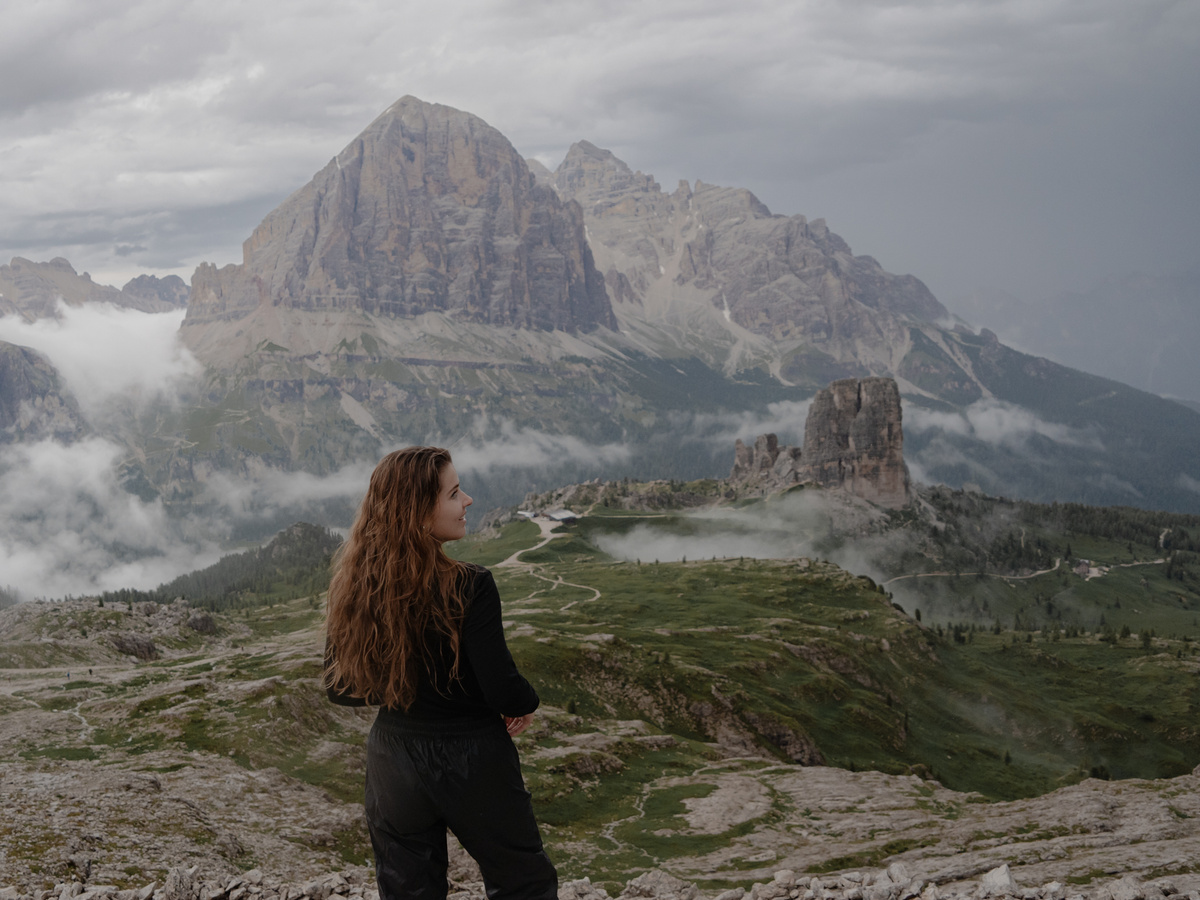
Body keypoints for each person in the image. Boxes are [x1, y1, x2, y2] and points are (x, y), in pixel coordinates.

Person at [324, 446, 556, 900]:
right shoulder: (471, 585)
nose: (467, 500)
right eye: (453, 493)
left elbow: (340, 689)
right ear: (416, 512)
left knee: (408, 889)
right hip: (472, 756)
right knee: (522, 882)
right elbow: (500, 685)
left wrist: (404, 687)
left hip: (392, 757)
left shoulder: (353, 585)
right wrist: (524, 703)